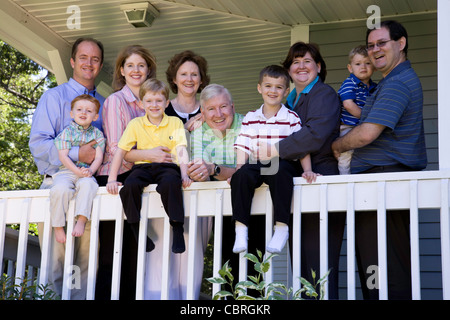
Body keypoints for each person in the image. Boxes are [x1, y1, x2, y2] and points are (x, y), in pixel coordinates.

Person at [332, 20, 427, 299]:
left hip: (386, 180)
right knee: (376, 264)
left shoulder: (398, 83)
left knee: (386, 267)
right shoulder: (388, 82)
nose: (375, 50)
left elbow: (366, 134)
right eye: (371, 45)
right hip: (377, 182)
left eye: (381, 43)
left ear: (401, 43)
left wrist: (336, 146)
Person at [256, 42, 344, 299]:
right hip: (298, 180)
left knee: (320, 262)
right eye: (295, 61)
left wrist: (273, 149)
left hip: (321, 174)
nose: (301, 66)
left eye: (307, 61)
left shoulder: (324, 95)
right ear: (288, 70)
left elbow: (313, 136)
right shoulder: (290, 100)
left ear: (318, 67)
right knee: (303, 261)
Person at [29, 37, 105, 299]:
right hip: (56, 185)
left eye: (95, 59)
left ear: (101, 65)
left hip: (90, 189)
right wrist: (76, 153)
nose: (89, 63)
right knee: (56, 267)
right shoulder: (54, 97)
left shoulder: (106, 105)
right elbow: (38, 145)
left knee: (87, 270)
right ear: (72, 61)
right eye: (83, 57)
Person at [95, 44, 160, 300]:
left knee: (134, 253)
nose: (136, 70)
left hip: (139, 180)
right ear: (121, 70)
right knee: (113, 252)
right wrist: (150, 154)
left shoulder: (152, 102)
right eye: (130, 65)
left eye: (141, 65)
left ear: (148, 70)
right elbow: (114, 149)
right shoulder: (116, 101)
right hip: (115, 179)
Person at [230, 65, 317, 255]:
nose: (273, 91)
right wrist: (239, 168)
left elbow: (300, 146)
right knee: (241, 175)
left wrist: (307, 170)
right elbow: (243, 144)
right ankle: (241, 228)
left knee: (279, 170)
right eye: (268, 86)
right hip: (258, 163)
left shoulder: (291, 118)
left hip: (283, 164)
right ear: (260, 88)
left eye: (279, 87)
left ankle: (281, 228)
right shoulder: (251, 117)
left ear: (286, 91)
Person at [106, 79, 192, 254]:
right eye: (149, 101)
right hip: (142, 167)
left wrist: (184, 174)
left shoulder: (174, 123)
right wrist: (111, 179)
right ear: (141, 103)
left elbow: (181, 150)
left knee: (170, 183)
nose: (154, 105)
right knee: (129, 187)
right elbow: (120, 151)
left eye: (159, 101)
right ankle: (137, 230)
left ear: (166, 103)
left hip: (167, 166)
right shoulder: (135, 124)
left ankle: (177, 227)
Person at [51, 94, 105, 243]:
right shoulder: (66, 132)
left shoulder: (97, 134)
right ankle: (58, 226)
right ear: (72, 114)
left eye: (89, 111)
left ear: (95, 116)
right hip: (67, 171)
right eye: (79, 109)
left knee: (89, 185)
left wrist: (90, 171)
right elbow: (63, 156)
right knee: (59, 189)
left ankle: (81, 220)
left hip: (87, 171)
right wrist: (76, 171)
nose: (83, 113)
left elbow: (99, 157)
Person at [337, 45, 377, 174]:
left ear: (374, 66)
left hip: (362, 127)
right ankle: (344, 178)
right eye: (358, 64)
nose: (363, 67)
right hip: (348, 126)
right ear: (350, 68)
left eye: (367, 63)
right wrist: (365, 118)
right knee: (346, 154)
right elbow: (348, 104)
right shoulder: (350, 83)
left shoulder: (375, 87)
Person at [165, 50, 210, 132]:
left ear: (201, 80)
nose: (189, 79)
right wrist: (184, 129)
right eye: (183, 74)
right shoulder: (163, 110)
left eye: (194, 74)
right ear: (174, 79)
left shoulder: (208, 111)